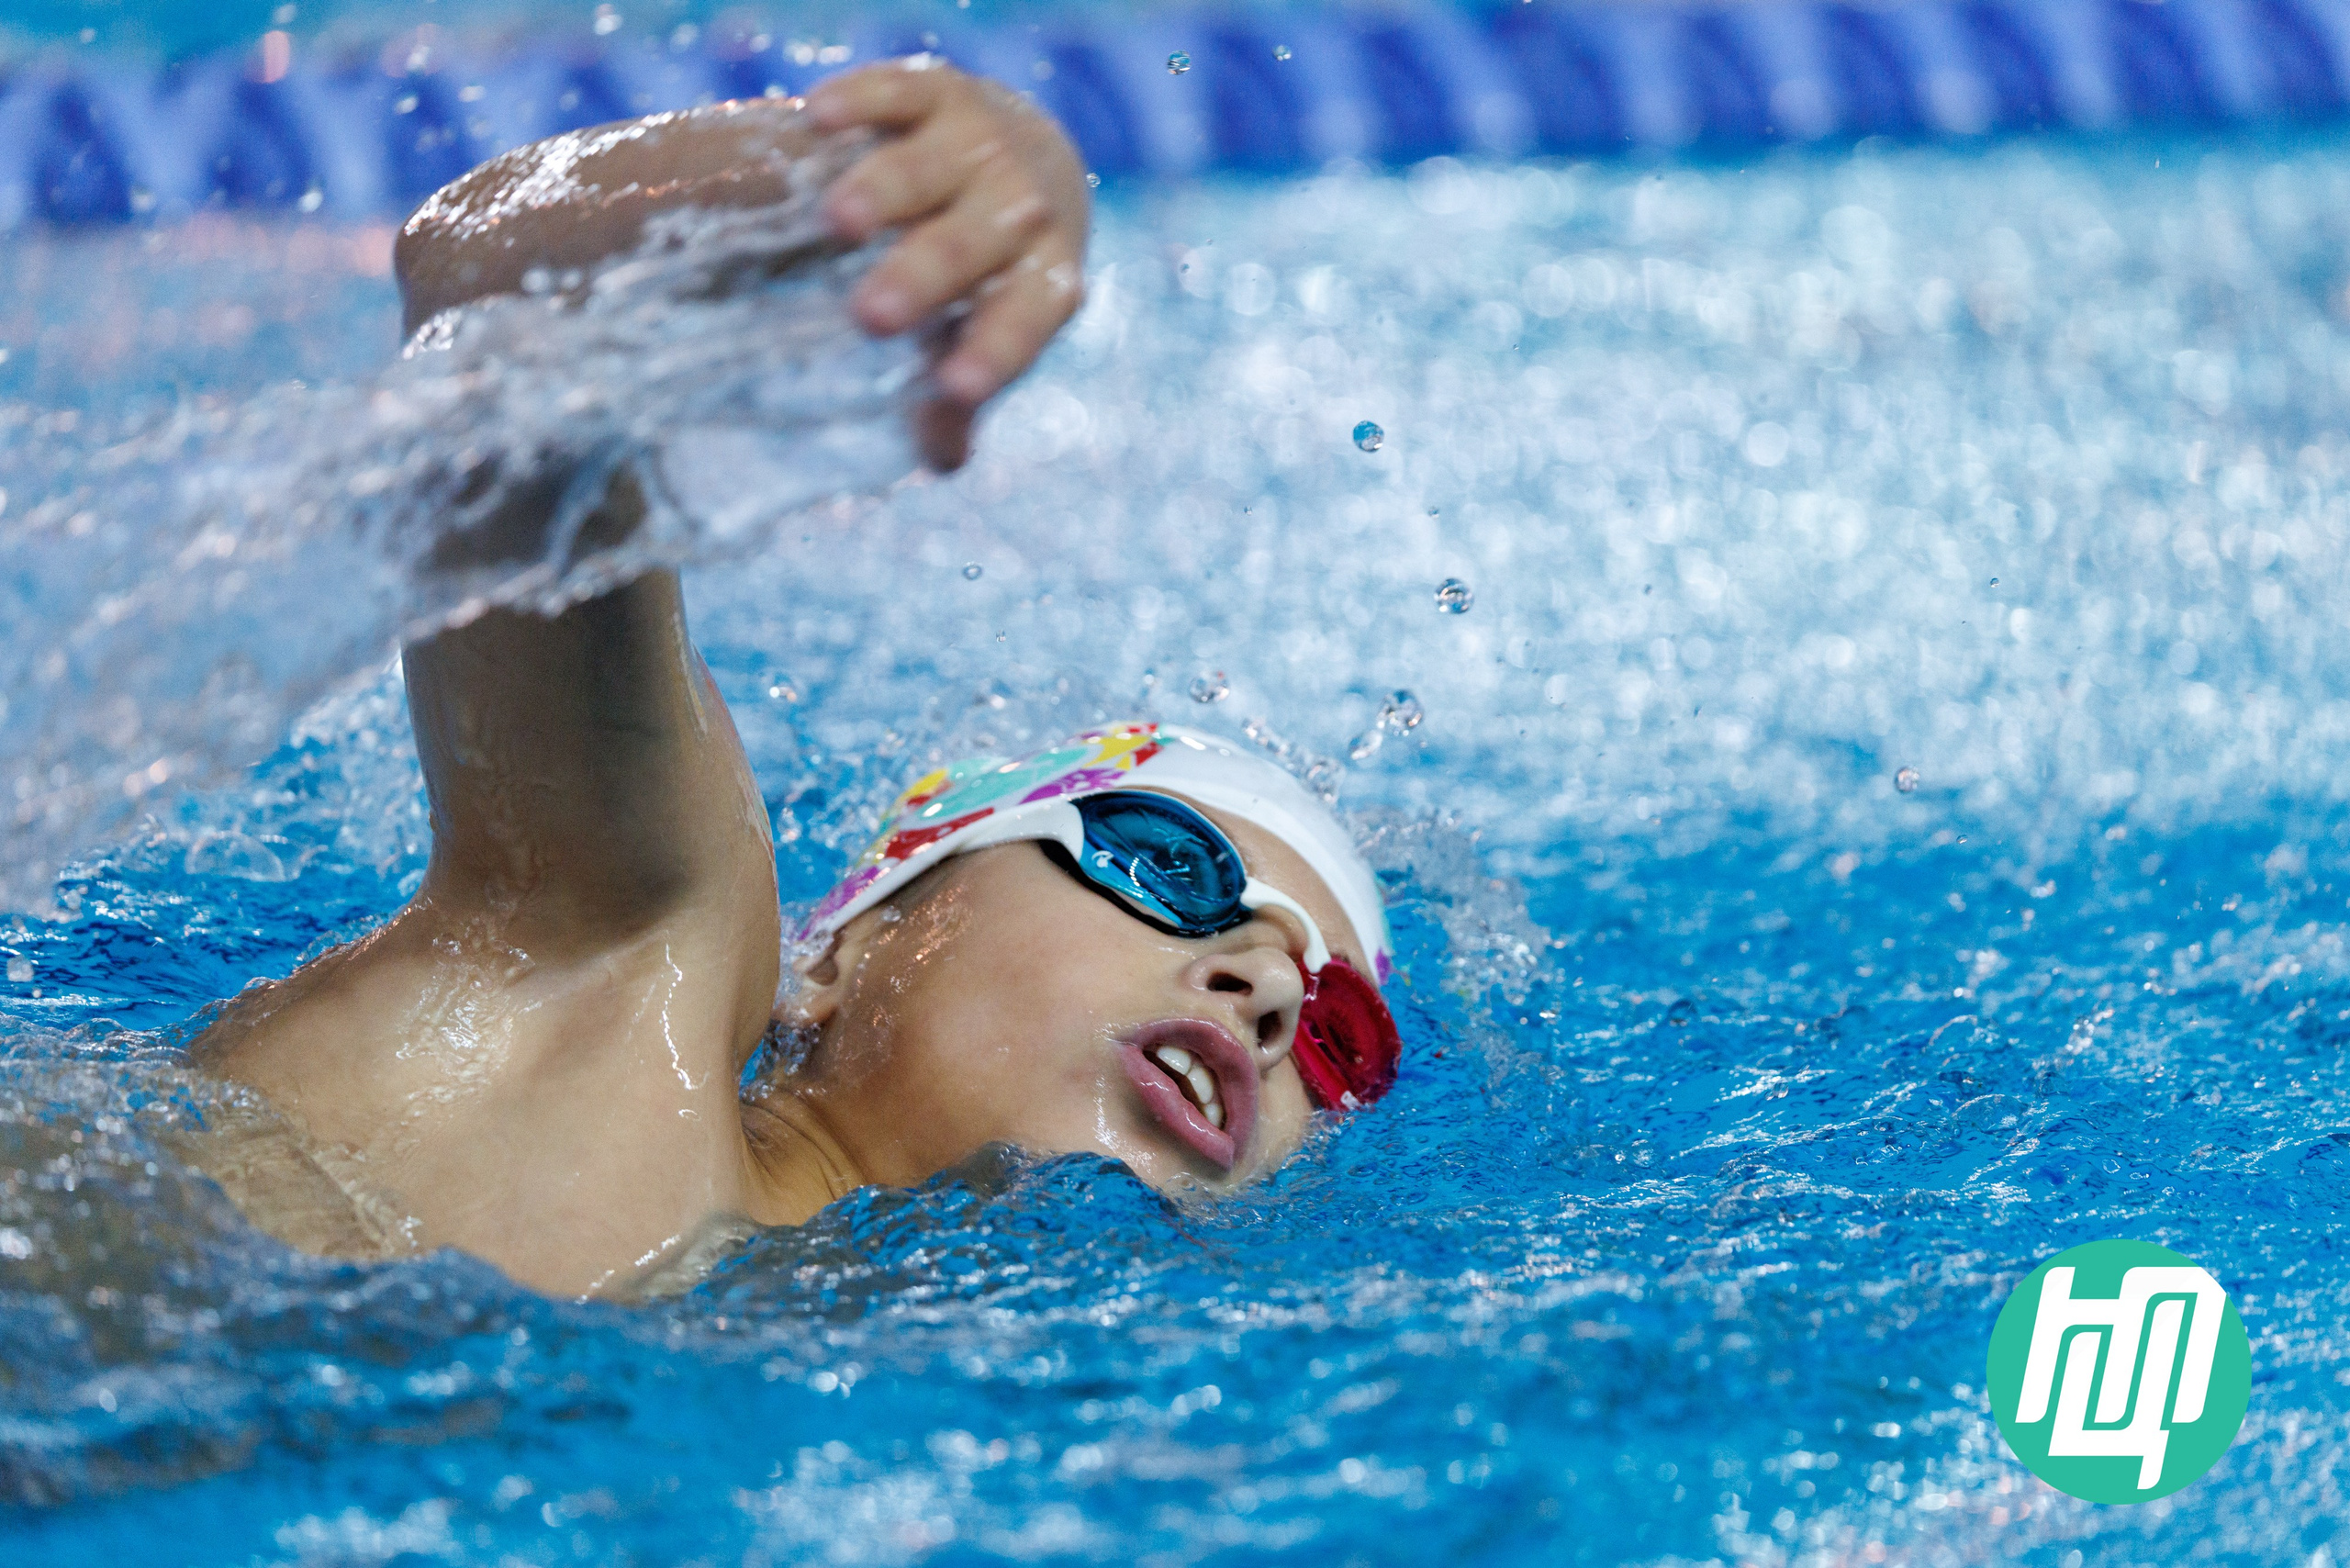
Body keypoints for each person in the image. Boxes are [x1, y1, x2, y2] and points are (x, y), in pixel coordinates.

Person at [188, 59, 1401, 1299]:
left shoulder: (831, 1390)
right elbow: (496, 298)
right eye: (1169, 866)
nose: (1264, 994)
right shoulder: (623, 964)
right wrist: (869, 172)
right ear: (841, 953)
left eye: (1336, 1034)